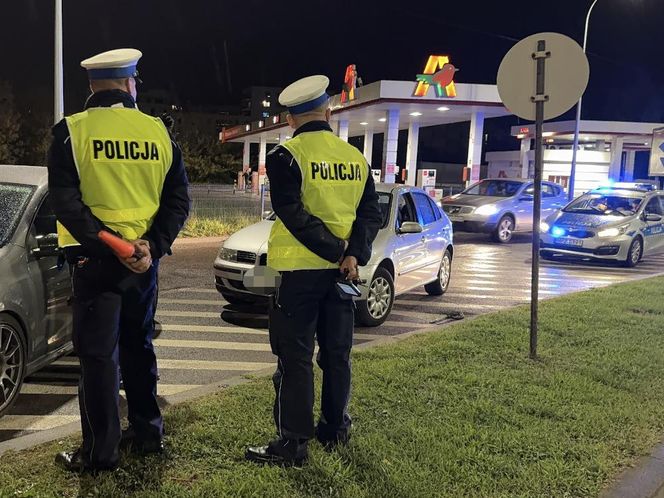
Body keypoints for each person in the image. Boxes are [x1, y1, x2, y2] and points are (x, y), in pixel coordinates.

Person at [48, 48, 190, 473]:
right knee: (138, 346)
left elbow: (66, 205)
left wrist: (114, 245)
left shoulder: (72, 132)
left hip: (97, 264)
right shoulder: (159, 133)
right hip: (145, 265)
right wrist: (151, 245)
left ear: (92, 85)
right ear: (130, 84)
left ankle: (101, 452)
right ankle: (148, 434)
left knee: (97, 358)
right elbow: (178, 200)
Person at [245, 75, 382, 466]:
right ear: (328, 111)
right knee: (337, 354)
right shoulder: (355, 158)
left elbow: (293, 215)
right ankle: (335, 429)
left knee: (295, 359)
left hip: (298, 275)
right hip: (343, 276)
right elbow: (369, 215)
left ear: (290, 119)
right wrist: (352, 254)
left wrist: (338, 251)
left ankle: (293, 443)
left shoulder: (285, 156)